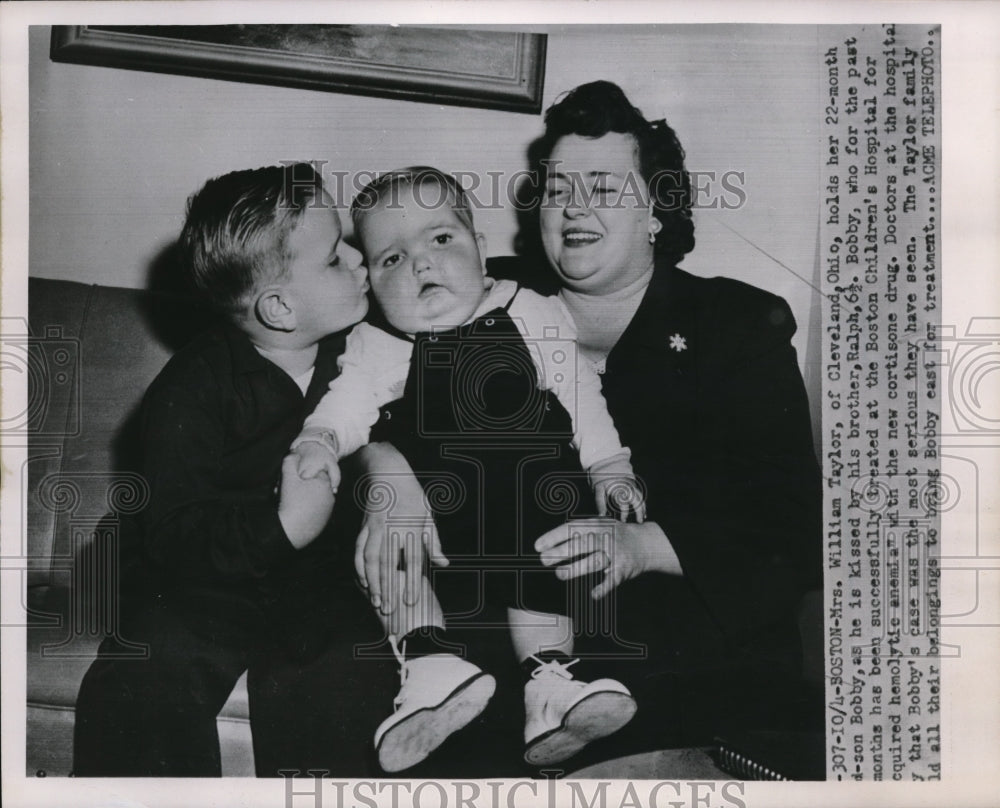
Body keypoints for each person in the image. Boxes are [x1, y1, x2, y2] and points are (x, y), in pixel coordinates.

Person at [358, 81, 823, 766]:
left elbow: (800, 523)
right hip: (490, 622)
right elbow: (356, 386)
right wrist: (385, 469)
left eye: (602, 188)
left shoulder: (736, 325)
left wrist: (643, 545)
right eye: (556, 188)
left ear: (656, 210)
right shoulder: (475, 289)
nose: (571, 209)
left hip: (671, 634)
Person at [291, 167, 645, 772]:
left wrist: (611, 465)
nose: (420, 265)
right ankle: (428, 669)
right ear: (372, 283)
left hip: (524, 504)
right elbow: (347, 403)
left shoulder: (529, 309)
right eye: (392, 259)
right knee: (387, 540)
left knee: (550, 532)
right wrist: (319, 438)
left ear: (483, 249)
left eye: (441, 240)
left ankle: (550, 682)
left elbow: (579, 390)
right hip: (435, 519)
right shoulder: (378, 343)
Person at [72, 163, 371, 776]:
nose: (361, 259)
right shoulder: (192, 387)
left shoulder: (368, 351)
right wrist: (281, 528)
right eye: (336, 257)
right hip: (196, 574)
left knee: (343, 667)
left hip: (319, 581)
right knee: (145, 670)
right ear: (281, 307)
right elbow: (173, 530)